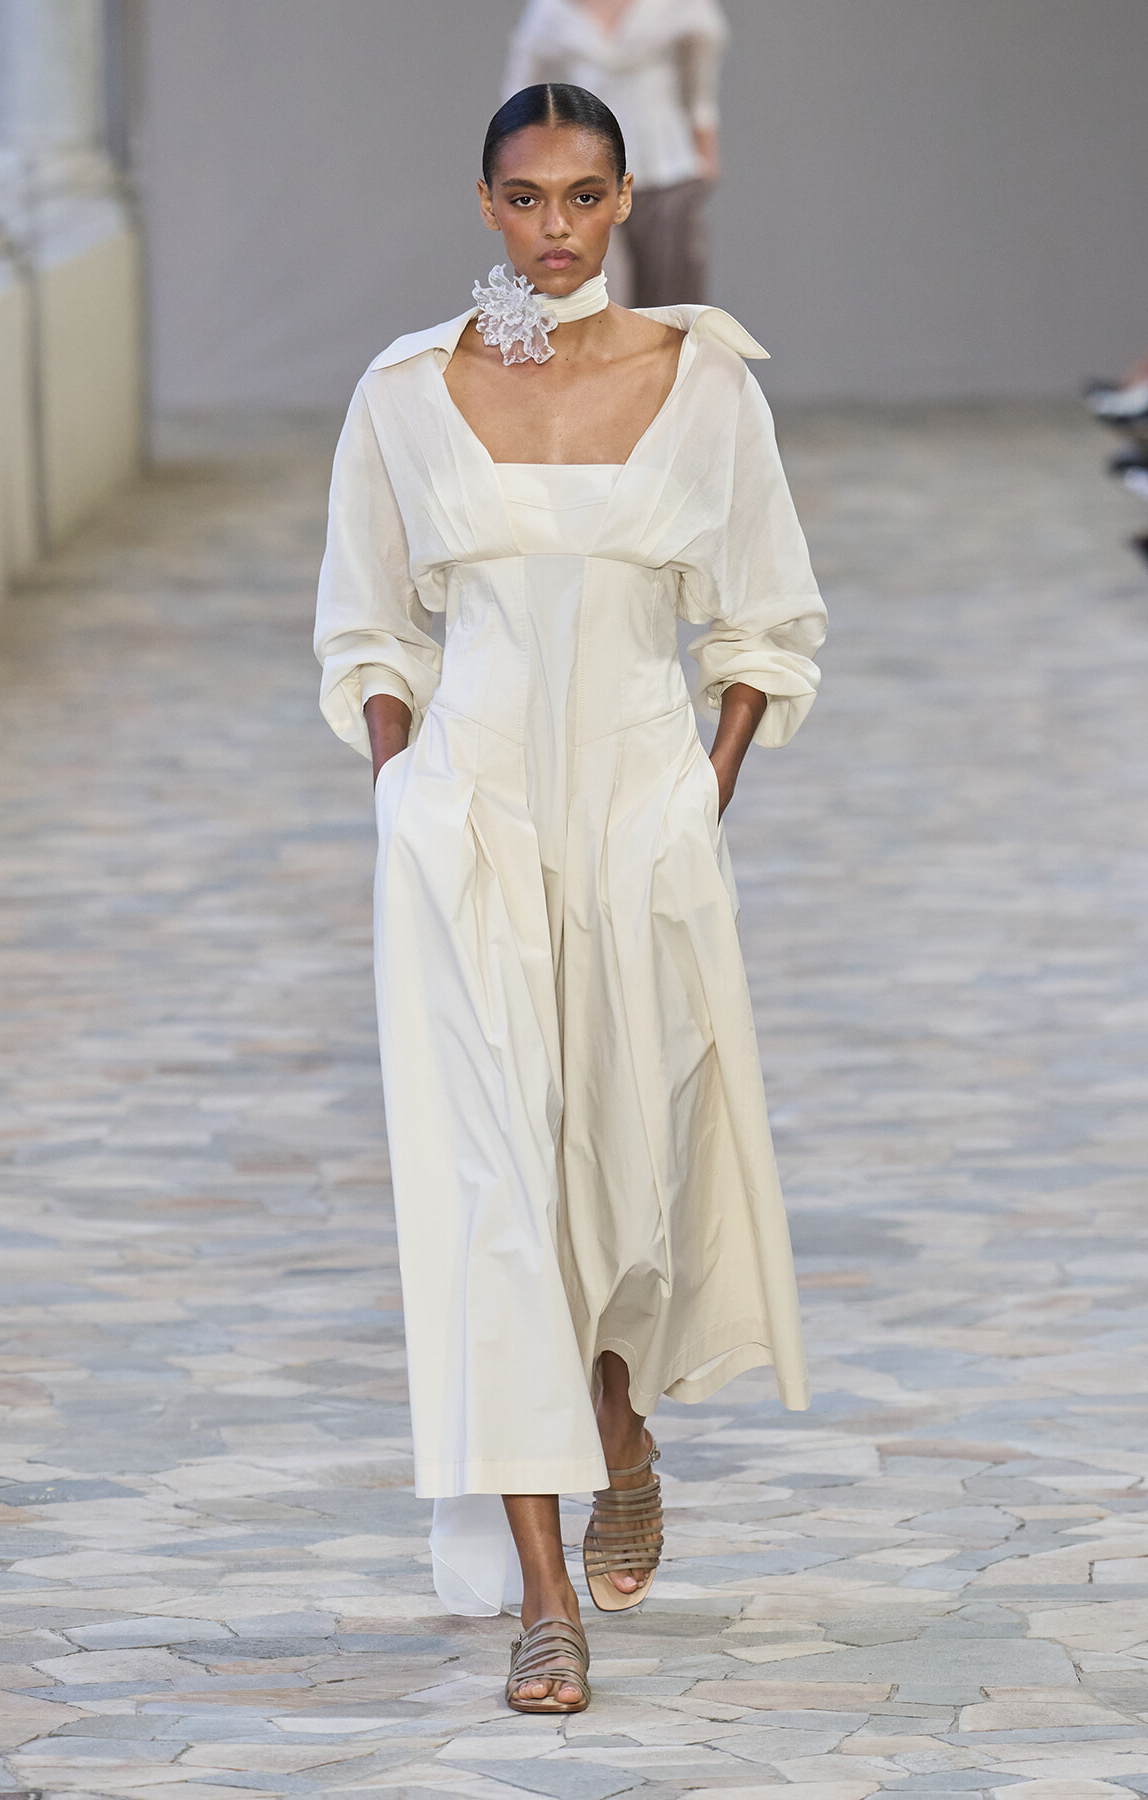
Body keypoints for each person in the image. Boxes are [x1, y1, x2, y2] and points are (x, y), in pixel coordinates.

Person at [314, 82, 826, 1715]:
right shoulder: (404, 393)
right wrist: (398, 789)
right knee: (487, 1197)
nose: (554, 227)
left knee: (626, 1171)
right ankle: (549, 1598)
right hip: (464, 829)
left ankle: (615, 1421)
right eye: (525, 198)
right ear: (485, 205)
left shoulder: (699, 383)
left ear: (623, 205)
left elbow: (765, 614)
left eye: (583, 197)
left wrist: (701, 793)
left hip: (636, 824)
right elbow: (365, 622)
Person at [504, 0, 727, 305]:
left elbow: (701, 85)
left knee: (672, 302)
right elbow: (520, 93)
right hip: (586, 175)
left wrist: (705, 155)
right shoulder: (553, 10)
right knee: (591, 297)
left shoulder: (678, 6)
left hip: (667, 167)